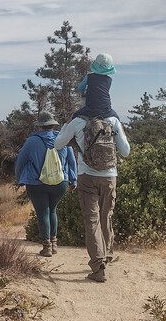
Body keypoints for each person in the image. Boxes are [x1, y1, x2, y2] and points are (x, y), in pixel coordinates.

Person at [54, 110, 130, 282]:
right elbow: (125, 151)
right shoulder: (112, 120)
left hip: (87, 176)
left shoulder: (77, 122)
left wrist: (67, 124)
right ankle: (107, 255)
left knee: (92, 220)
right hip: (110, 176)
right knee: (106, 215)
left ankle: (98, 266)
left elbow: (58, 144)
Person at [15, 112, 77, 257]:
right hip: (60, 183)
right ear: (53, 125)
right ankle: (54, 243)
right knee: (53, 210)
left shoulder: (32, 141)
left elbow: (20, 161)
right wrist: (74, 180)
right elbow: (72, 161)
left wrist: (20, 179)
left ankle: (46, 246)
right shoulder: (63, 139)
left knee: (43, 212)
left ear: (40, 127)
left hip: (36, 184)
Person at [74, 52, 120, 119]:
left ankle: (64, 128)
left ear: (95, 65)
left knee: (74, 116)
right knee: (117, 119)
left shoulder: (89, 76)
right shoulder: (109, 80)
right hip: (106, 110)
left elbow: (80, 88)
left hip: (90, 109)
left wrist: (84, 92)